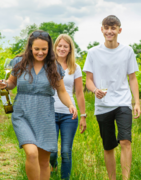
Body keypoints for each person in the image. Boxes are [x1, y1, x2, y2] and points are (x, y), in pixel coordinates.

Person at [0, 30, 77, 180]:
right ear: (30, 48)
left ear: (49, 49)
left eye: (44, 49)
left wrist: (70, 105)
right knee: (32, 153)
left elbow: (62, 91)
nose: (40, 52)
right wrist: (5, 85)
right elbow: (12, 83)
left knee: (44, 162)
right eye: (37, 49)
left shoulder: (54, 67)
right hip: (22, 114)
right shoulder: (19, 63)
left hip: (45, 115)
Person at [83, 15, 141, 180]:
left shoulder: (127, 51)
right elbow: (88, 80)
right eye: (106, 28)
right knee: (108, 147)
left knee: (125, 141)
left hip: (123, 102)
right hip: (103, 105)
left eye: (113, 28)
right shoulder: (93, 52)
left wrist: (136, 102)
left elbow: (132, 78)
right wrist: (95, 91)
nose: (110, 31)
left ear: (119, 30)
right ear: (102, 30)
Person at [49, 34, 87, 180]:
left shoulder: (75, 68)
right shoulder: (48, 65)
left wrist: (83, 115)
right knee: (51, 151)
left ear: (70, 49)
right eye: (59, 45)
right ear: (55, 47)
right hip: (50, 113)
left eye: (65, 46)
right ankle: (53, 165)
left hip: (69, 115)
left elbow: (79, 93)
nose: (62, 48)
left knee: (66, 151)